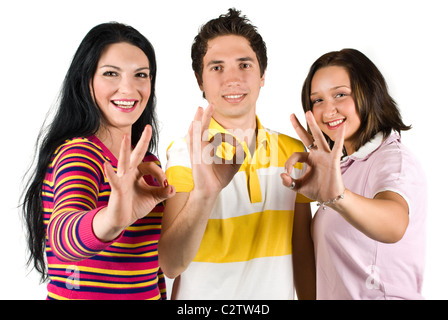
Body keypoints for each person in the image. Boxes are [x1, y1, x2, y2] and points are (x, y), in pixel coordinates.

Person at [159, 8, 316, 300]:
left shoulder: (293, 152)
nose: (232, 79)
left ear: (262, 75)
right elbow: (170, 265)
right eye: (217, 67)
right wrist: (204, 194)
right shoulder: (185, 153)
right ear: (199, 81)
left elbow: (302, 251)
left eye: (244, 65)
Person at [21, 22, 175, 300]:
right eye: (111, 74)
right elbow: (63, 235)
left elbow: (152, 273)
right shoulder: (79, 154)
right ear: (86, 80)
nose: (128, 88)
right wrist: (111, 221)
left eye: (141, 74)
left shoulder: (147, 163)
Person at [281, 48, 427, 299]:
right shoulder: (345, 167)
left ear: (369, 94)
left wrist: (338, 195)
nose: (328, 111)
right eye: (318, 100)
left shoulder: (392, 159)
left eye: (340, 95)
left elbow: (393, 223)